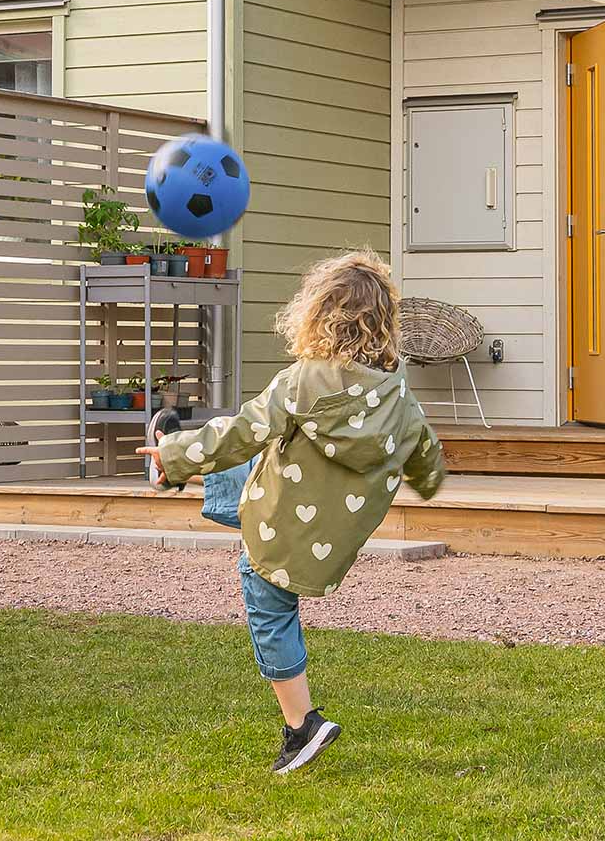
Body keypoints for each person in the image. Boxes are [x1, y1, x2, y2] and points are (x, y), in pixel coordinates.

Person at [138, 250, 446, 774]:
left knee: (270, 610)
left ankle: (302, 727)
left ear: (317, 316)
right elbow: (428, 462)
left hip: (282, 527)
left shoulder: (302, 383)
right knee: (257, 472)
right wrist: (423, 477)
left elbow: (239, 432)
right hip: (327, 528)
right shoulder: (400, 399)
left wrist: (179, 450)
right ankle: (171, 468)